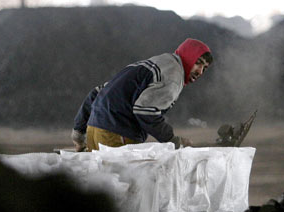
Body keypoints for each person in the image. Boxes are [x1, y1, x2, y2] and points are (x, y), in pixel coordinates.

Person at [72, 38, 213, 152]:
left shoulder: (156, 63)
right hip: (117, 133)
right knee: (123, 186)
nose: (200, 71)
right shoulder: (173, 75)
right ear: (188, 56)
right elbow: (144, 111)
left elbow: (97, 93)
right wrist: (172, 140)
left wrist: (79, 133)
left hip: (94, 129)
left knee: (101, 184)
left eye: (204, 68)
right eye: (198, 63)